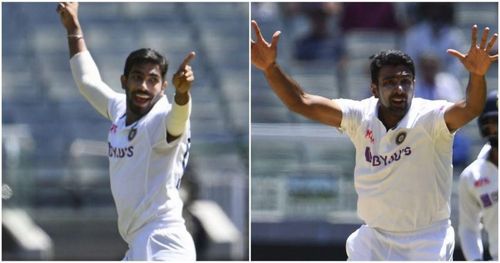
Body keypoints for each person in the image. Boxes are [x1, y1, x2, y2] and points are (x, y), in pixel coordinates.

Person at [251, 19, 498, 260]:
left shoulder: (430, 118)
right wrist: (271, 68)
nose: (399, 89)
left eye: (404, 82)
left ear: (414, 84)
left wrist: (477, 76)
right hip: (374, 238)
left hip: (428, 239)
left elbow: (470, 108)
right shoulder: (359, 116)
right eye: (390, 83)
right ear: (374, 89)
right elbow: (301, 102)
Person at [57, 2, 196, 261]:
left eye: (153, 80)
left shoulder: (160, 119)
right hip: (139, 244)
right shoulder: (120, 109)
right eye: (137, 77)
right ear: (124, 81)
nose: (144, 86)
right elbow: (87, 82)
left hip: (164, 242)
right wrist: (73, 28)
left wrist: (183, 94)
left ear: (163, 87)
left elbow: (177, 121)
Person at [458, 91, 498, 261]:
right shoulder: (472, 176)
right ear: (485, 126)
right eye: (494, 123)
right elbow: (468, 228)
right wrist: (475, 259)